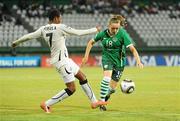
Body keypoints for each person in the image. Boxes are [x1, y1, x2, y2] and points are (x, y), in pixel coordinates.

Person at [12, 9, 107, 113]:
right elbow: (78, 33)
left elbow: (29, 36)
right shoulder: (60, 27)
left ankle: (94, 102)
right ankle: (46, 104)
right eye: (60, 17)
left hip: (64, 60)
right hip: (62, 62)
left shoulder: (43, 29)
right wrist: (94, 29)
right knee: (71, 88)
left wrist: (16, 42)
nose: (61, 20)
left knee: (82, 77)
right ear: (56, 18)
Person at [82, 15, 143, 111]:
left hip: (119, 62)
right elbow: (90, 42)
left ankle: (103, 99)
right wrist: (86, 56)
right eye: (113, 28)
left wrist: (138, 61)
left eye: (117, 28)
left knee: (112, 89)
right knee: (106, 78)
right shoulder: (102, 34)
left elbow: (132, 49)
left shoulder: (122, 34)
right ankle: (101, 103)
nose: (115, 30)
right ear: (108, 26)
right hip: (107, 59)